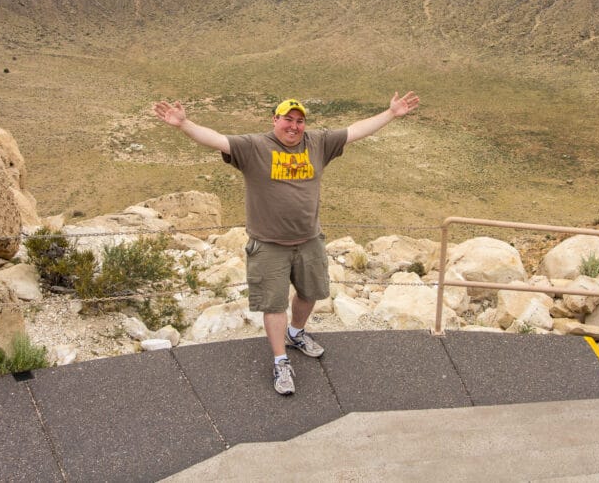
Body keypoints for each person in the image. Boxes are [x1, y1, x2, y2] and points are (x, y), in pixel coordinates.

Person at [153, 92, 420, 394]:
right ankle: (281, 360)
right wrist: (184, 124)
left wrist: (390, 113)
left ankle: (297, 333)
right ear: (275, 120)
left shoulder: (317, 142)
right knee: (274, 304)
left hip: (309, 240)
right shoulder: (254, 146)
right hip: (268, 244)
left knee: (310, 293)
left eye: (299, 121)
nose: (293, 126)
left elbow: (356, 130)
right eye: (287, 119)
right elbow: (216, 139)